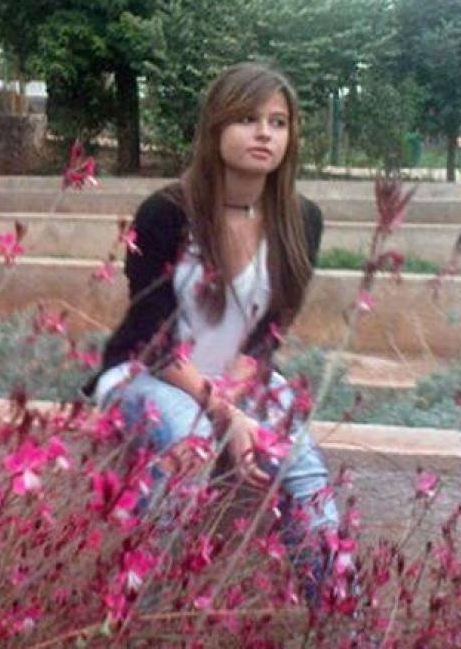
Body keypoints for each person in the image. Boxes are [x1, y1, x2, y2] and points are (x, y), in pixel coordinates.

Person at [84, 62, 339, 591]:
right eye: (248, 119)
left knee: (304, 472)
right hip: (146, 373)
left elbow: (268, 334)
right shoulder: (165, 213)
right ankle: (136, 606)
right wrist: (226, 414)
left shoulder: (302, 220)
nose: (264, 133)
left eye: (278, 122)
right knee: (190, 440)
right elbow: (152, 339)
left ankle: (339, 614)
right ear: (215, 127)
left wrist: (235, 401)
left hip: (238, 378)